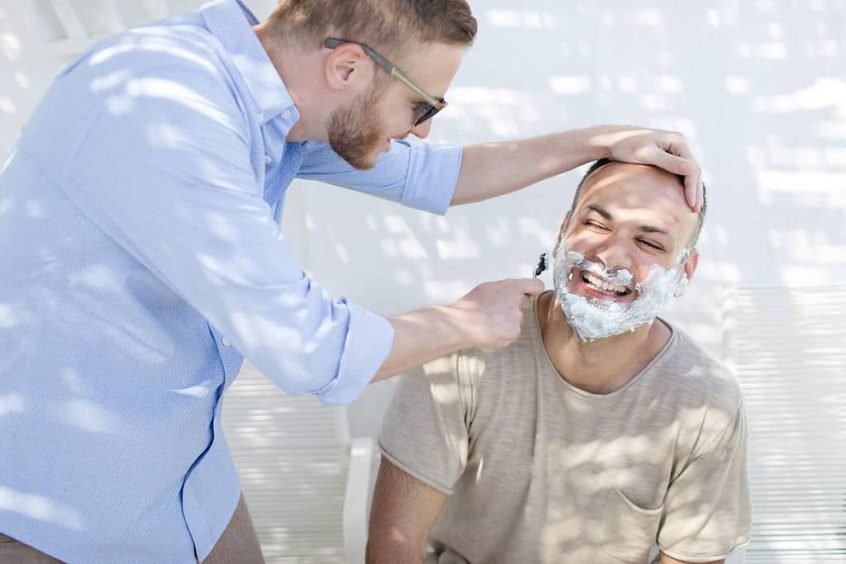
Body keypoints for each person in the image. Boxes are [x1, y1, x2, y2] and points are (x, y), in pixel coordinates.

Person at [0, 0, 703, 561]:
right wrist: (463, 321)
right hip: (54, 505)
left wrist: (606, 141)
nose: (421, 132)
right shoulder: (166, 111)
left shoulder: (283, 99)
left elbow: (437, 175)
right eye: (423, 106)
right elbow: (311, 349)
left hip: (182, 473)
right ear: (346, 68)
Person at [368, 159, 750, 564]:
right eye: (597, 225)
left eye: (650, 243)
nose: (611, 255)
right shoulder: (461, 347)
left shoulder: (707, 404)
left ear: (684, 273)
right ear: (563, 231)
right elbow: (396, 542)